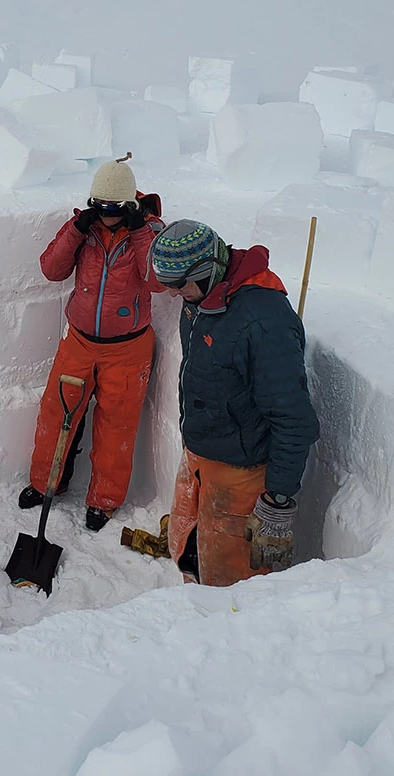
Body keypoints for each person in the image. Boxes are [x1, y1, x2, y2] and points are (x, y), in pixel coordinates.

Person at [149, 219, 319, 586]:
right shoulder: (203, 295)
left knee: (230, 585)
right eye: (168, 286)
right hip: (200, 460)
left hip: (241, 478)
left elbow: (295, 420)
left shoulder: (262, 322)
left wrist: (277, 502)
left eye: (179, 286)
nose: (174, 295)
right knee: (189, 550)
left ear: (208, 270)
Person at [23, 155, 165, 532]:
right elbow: (51, 270)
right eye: (99, 208)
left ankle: (104, 500)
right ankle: (45, 483)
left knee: (117, 423)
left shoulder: (149, 231)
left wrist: (138, 233)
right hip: (80, 341)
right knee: (57, 412)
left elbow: (157, 281)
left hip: (128, 347)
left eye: (114, 209)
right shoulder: (83, 228)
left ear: (130, 206)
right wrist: (75, 228)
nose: (106, 216)